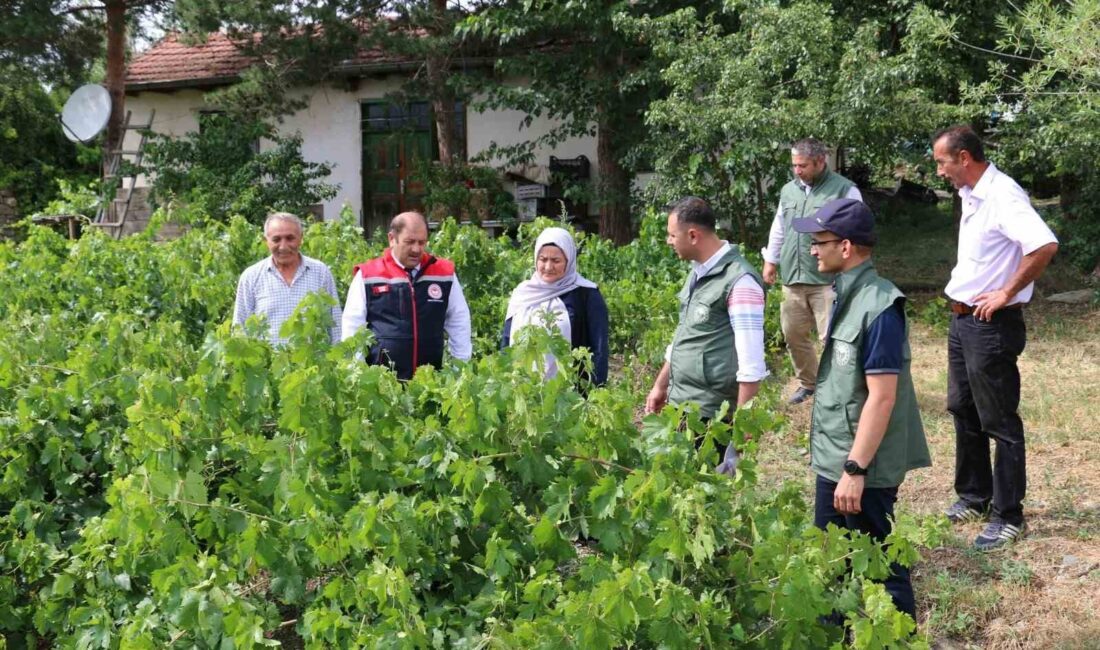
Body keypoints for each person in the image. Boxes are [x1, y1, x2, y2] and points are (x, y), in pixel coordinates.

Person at [792, 197, 931, 620]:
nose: (813, 250)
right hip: (835, 457)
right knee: (833, 562)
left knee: (881, 568)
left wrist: (854, 470)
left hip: (860, 467)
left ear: (846, 246)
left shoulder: (881, 305)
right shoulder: (846, 294)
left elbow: (883, 396)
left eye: (820, 242)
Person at [932, 125, 1058, 551]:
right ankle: (975, 496)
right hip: (962, 319)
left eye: (942, 161)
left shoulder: (1003, 194)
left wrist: (1006, 291)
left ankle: (1008, 516)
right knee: (962, 408)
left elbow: (1043, 245)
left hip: (992, 325)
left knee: (999, 420)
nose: (939, 171)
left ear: (964, 157)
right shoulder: (972, 195)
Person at [645, 197, 768, 468]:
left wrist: (742, 427)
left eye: (671, 235)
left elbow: (751, 364)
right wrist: (661, 385)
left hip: (711, 415)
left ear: (692, 235)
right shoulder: (698, 274)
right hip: (681, 405)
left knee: (704, 499)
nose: (668, 241)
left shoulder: (740, 282)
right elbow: (684, 336)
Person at [762, 138, 864, 404]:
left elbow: (858, 233)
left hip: (827, 280)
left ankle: (842, 389)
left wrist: (850, 271)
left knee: (833, 338)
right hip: (792, 278)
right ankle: (809, 383)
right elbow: (780, 226)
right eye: (794, 165)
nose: (797, 171)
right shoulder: (789, 191)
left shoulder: (845, 190)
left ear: (821, 161)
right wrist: (771, 260)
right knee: (793, 334)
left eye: (803, 165)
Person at [342, 211, 472, 380]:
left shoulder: (443, 273)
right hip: (382, 385)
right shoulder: (368, 275)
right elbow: (353, 326)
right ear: (391, 239)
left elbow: (459, 320)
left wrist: (459, 370)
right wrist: (358, 376)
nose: (417, 249)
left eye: (422, 242)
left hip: (430, 382)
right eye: (409, 242)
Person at [501, 227, 610, 386]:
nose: (548, 267)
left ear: (569, 260)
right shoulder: (523, 293)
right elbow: (506, 342)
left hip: (571, 396)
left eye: (556, 260)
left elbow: (599, 349)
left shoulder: (586, 295)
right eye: (543, 259)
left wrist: (596, 391)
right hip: (524, 391)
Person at [233, 212, 341, 345]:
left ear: (301, 238)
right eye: (276, 239)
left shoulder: (320, 272)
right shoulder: (251, 277)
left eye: (290, 238)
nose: (283, 246)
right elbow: (240, 328)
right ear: (266, 241)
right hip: (268, 364)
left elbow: (335, 325)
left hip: (315, 363)